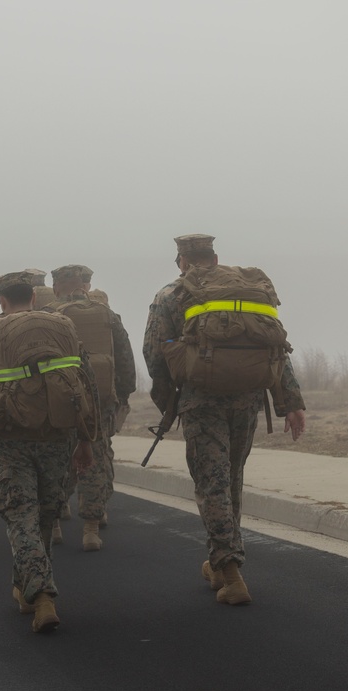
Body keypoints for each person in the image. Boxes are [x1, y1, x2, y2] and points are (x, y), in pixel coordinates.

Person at [143, 233, 306, 605]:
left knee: (211, 483)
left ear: (182, 261)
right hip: (248, 400)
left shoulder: (171, 295)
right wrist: (291, 402)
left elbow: (154, 352)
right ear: (214, 258)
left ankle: (231, 572)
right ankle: (219, 563)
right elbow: (278, 348)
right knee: (231, 479)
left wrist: (168, 403)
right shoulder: (247, 291)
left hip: (202, 402)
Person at [0, 270, 96, 633]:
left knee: (20, 514)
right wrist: (86, 440)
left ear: (1, 301)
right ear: (34, 297)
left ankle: (42, 594)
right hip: (57, 435)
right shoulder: (62, 329)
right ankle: (25, 586)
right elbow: (86, 386)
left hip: (10, 437)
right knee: (45, 513)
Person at [47, 264, 136, 550]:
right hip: (100, 401)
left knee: (57, 461)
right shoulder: (107, 314)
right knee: (95, 460)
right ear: (86, 285)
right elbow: (124, 358)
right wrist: (121, 394)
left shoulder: (47, 316)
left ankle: (54, 524)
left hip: (59, 401)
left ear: (55, 287)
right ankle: (91, 528)